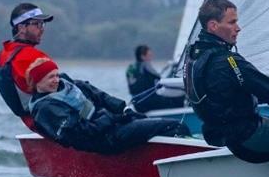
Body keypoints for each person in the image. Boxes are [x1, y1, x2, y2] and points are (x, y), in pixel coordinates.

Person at [183, 0, 269, 163]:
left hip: (220, 137)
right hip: (248, 142)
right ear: (213, 26)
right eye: (232, 22)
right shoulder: (228, 61)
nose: (238, 28)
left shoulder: (193, 55)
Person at [27, 57, 184, 154]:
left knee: (152, 122)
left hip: (112, 126)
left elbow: (99, 96)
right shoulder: (46, 109)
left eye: (56, 75)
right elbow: (80, 133)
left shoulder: (67, 85)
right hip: (104, 140)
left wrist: (122, 109)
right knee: (175, 127)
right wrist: (112, 118)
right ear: (37, 82)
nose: (56, 80)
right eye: (49, 77)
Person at [0, 3, 55, 130]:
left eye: (43, 24)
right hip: (56, 126)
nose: (42, 29)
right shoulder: (35, 57)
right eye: (37, 24)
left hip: (36, 125)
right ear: (21, 27)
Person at [126, 45, 184, 112]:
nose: (151, 57)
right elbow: (160, 79)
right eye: (149, 55)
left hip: (136, 103)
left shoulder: (130, 68)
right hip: (147, 101)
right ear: (142, 56)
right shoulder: (145, 65)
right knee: (179, 99)